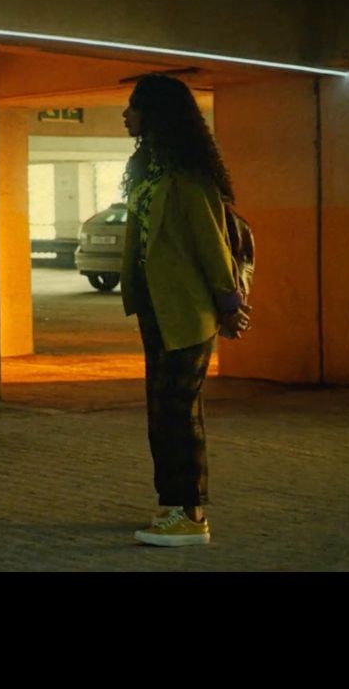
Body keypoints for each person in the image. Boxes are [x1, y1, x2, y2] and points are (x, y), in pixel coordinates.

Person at [120, 74, 250, 547]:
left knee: (179, 411)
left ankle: (192, 515)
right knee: (161, 411)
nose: (126, 114)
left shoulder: (188, 177)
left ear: (156, 115)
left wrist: (230, 305)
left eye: (134, 106)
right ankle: (171, 504)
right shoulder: (147, 170)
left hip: (188, 313)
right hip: (156, 310)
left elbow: (213, 247)